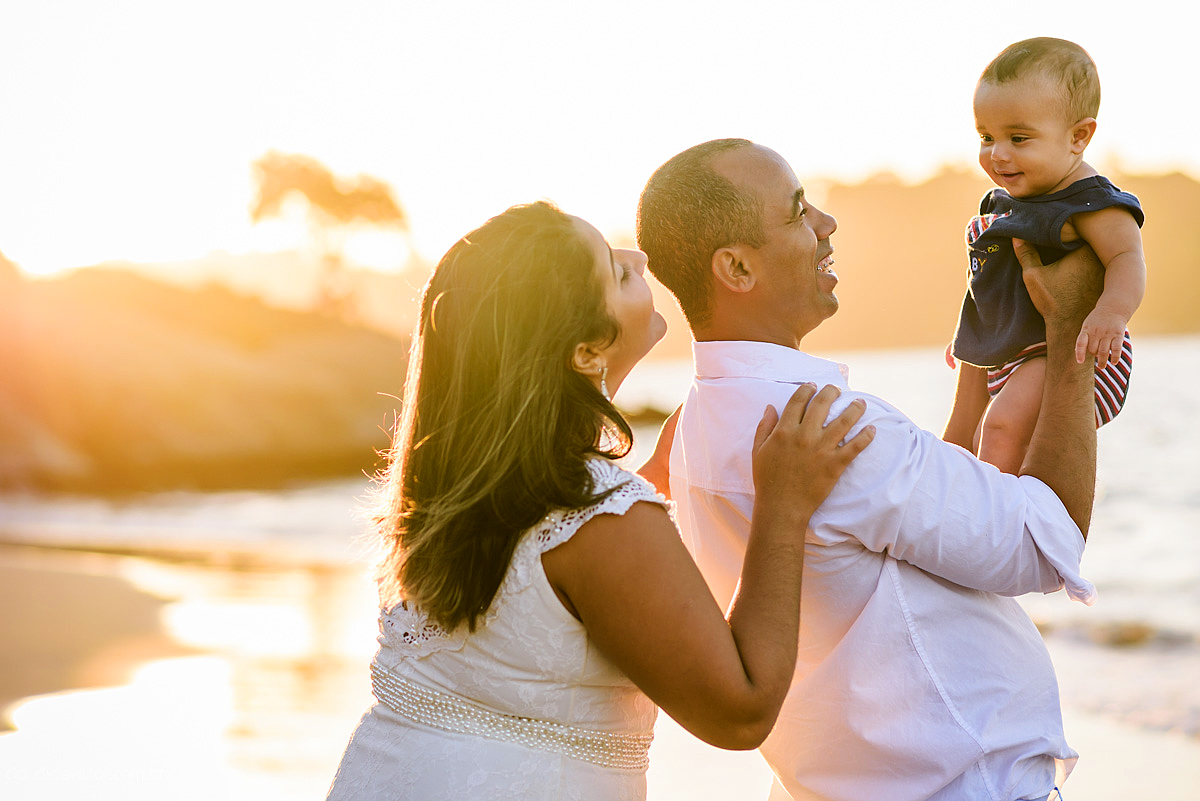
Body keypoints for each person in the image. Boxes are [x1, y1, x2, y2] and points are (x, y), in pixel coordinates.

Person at [324, 200, 875, 801]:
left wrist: (646, 490)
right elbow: (739, 712)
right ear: (586, 351)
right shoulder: (596, 512)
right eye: (616, 271)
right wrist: (784, 506)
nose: (638, 256)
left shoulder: (453, 487)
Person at [636, 138, 1105, 801]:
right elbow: (1044, 540)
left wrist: (978, 367)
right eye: (798, 210)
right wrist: (1074, 334)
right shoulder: (828, 431)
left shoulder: (697, 425)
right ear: (737, 266)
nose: (826, 224)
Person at [944, 37, 1146, 473]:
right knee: (976, 435)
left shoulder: (1090, 202)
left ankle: (995, 518)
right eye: (986, 136)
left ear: (1078, 137)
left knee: (1001, 429)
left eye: (1019, 138)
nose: (998, 154)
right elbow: (992, 281)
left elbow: (1127, 257)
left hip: (1069, 352)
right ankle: (969, 509)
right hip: (1011, 351)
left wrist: (1112, 312)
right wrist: (975, 333)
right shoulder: (1004, 203)